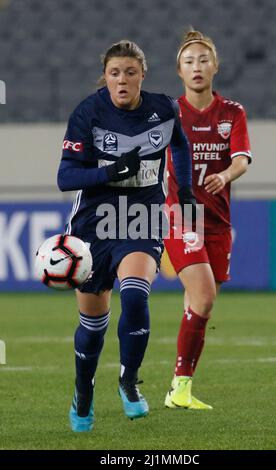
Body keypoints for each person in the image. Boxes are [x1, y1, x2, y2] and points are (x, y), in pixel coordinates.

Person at [57, 40, 196, 431]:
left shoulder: (164, 108)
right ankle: (83, 392)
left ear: (142, 76)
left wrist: (183, 189)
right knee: (92, 325)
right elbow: (65, 177)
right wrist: (109, 172)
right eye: (115, 73)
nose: (122, 80)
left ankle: (129, 381)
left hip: (142, 216)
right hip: (94, 224)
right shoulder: (88, 112)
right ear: (106, 76)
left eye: (130, 73)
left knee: (135, 294)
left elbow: (180, 146)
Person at [164, 29, 252, 409]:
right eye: (188, 62)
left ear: (215, 66)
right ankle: (180, 389)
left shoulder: (232, 112)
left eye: (203, 60)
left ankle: (178, 389)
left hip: (217, 221)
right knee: (204, 295)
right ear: (179, 71)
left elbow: (241, 159)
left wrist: (226, 175)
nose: (196, 67)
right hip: (179, 216)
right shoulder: (167, 113)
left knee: (201, 303)